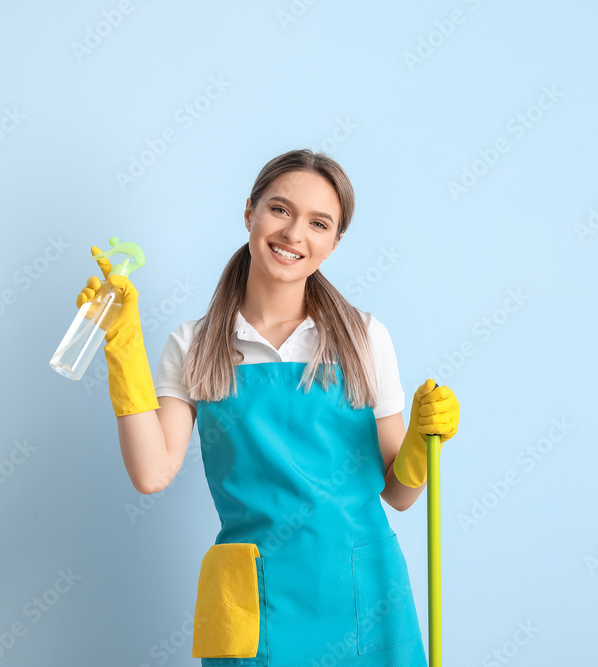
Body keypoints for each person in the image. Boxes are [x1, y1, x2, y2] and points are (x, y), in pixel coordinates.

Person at [76, 148, 460, 666]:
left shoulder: (364, 337)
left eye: (318, 223)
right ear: (250, 213)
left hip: (360, 596)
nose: (294, 234)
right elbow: (151, 472)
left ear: (334, 242)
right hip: (257, 603)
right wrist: (122, 349)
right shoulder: (195, 344)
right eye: (280, 210)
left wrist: (422, 439)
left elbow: (399, 492)